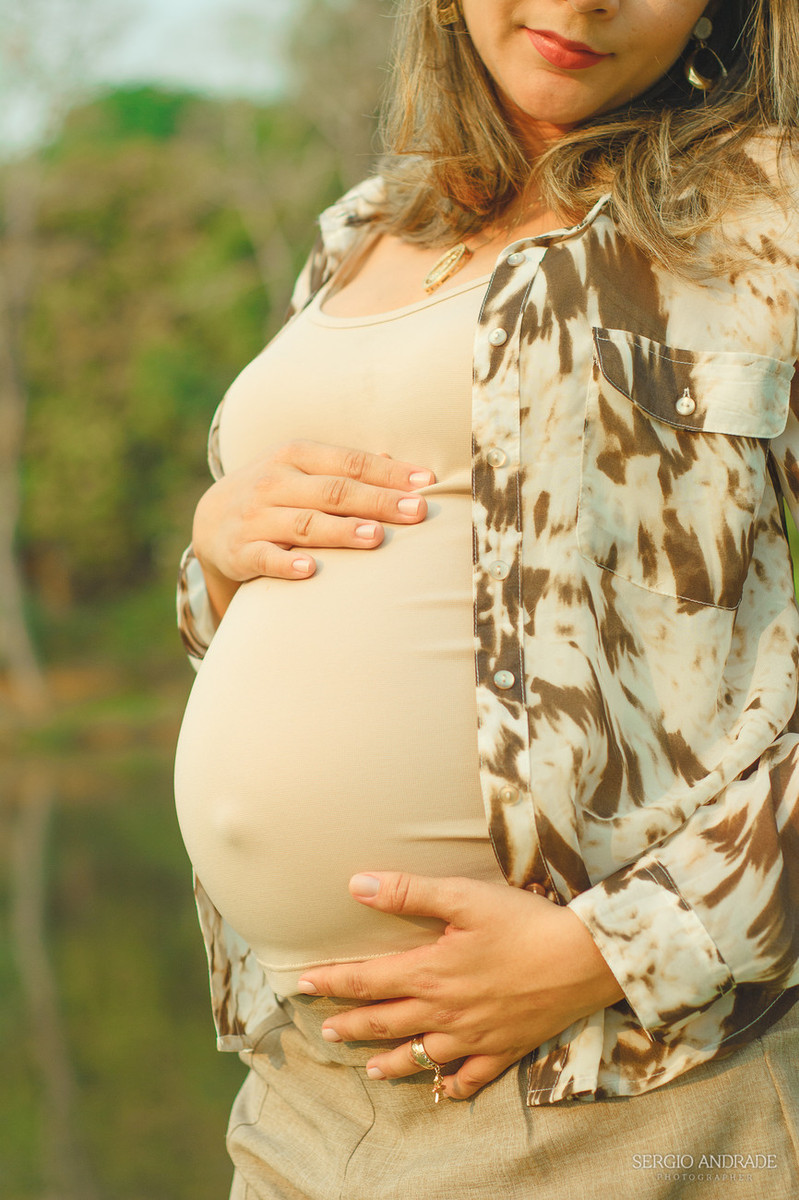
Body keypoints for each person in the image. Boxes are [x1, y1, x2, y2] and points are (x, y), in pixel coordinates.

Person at [174, 1, 799, 1197]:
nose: (581, 4)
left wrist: (612, 950)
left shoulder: (765, 212)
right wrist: (216, 551)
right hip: (305, 1096)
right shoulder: (358, 228)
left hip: (629, 1096)